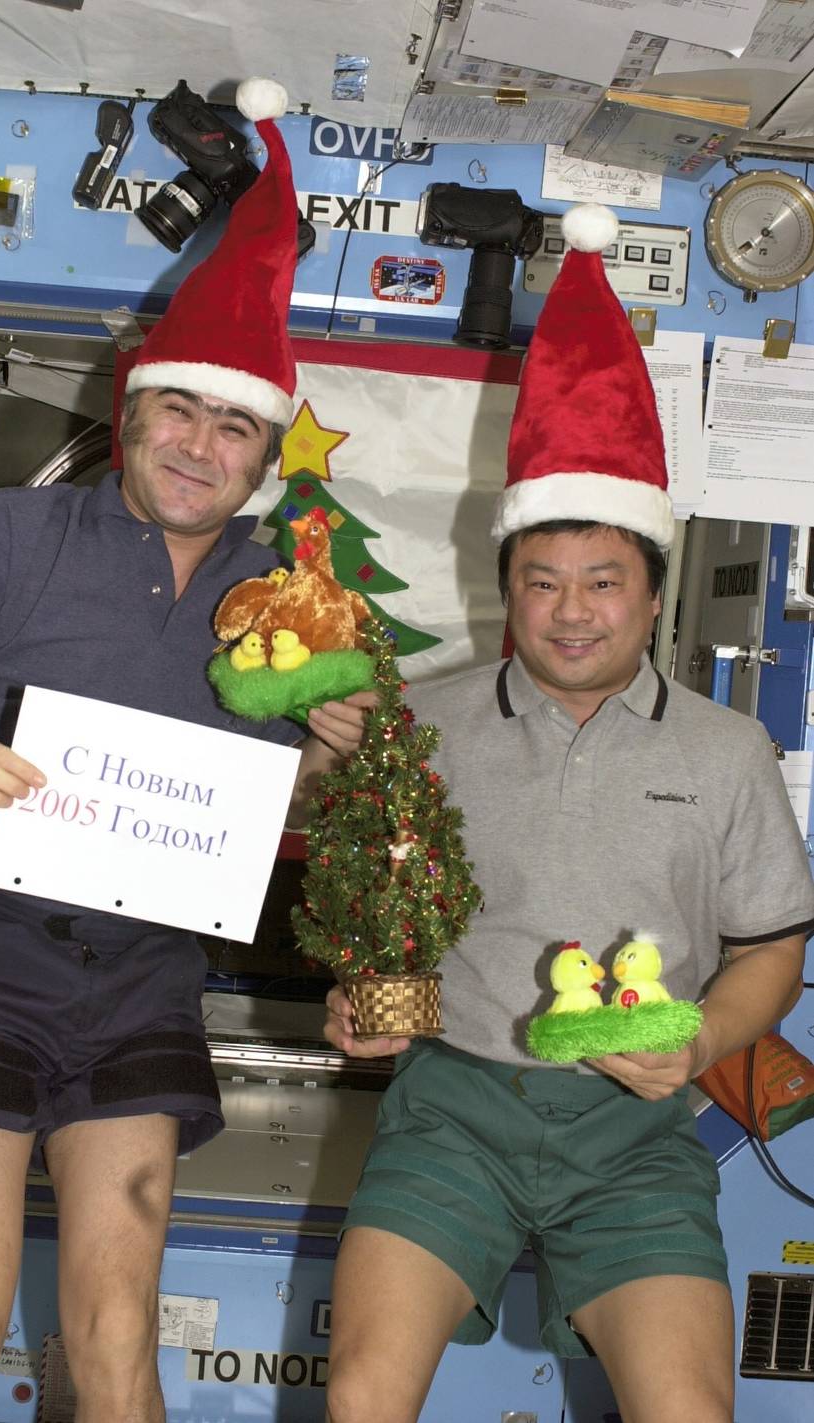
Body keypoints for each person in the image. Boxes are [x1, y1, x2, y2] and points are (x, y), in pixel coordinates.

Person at [0, 80, 371, 1423]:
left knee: (119, 1336)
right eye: (180, 410)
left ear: (262, 457)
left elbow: (285, 801)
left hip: (145, 973)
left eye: (233, 425)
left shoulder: (292, 603)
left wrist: (335, 752)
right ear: (132, 411)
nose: (201, 443)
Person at [322, 205, 814, 1423]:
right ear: (507, 590)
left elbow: (769, 954)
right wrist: (359, 990)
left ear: (649, 595)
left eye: (604, 581)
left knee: (691, 1413)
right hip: (454, 1115)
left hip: (637, 1135)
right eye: (543, 582)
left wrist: (700, 1043)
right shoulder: (419, 725)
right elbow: (370, 904)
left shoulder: (729, 747)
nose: (573, 611)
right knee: (363, 1399)